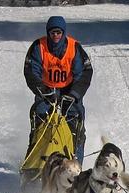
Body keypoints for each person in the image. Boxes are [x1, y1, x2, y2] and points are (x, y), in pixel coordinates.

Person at [23, 16, 93, 165]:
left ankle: (76, 164)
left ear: (63, 33)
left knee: (76, 127)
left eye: (58, 32)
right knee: (39, 123)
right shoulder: (38, 47)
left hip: (70, 91)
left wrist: (74, 94)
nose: (55, 36)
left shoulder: (74, 48)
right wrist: (42, 89)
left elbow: (85, 73)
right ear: (48, 33)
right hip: (46, 90)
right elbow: (30, 71)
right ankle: (33, 162)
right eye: (52, 33)